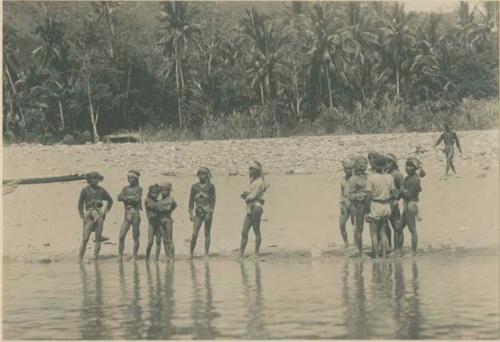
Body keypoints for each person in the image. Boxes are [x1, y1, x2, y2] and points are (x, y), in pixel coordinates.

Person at [77, 171, 113, 262]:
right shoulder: (85, 190)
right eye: (92, 178)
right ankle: (80, 258)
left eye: (96, 178)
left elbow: (110, 200)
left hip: (99, 213)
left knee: (98, 238)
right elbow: (80, 204)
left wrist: (106, 211)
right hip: (89, 214)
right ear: (89, 179)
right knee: (85, 238)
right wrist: (82, 216)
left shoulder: (101, 190)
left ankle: (95, 258)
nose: (94, 180)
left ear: (98, 179)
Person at [365, 154, 396, 259]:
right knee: (383, 233)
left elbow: (368, 196)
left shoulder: (371, 178)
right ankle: (383, 255)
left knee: (373, 233)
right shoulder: (390, 177)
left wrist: (366, 212)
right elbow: (393, 193)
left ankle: (376, 256)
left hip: (376, 205)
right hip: (386, 205)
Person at [395, 157, 425, 256]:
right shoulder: (408, 178)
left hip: (411, 205)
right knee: (399, 228)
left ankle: (413, 251)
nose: (407, 168)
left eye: (410, 166)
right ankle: (398, 250)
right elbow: (404, 193)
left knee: (412, 229)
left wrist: (401, 190)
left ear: (415, 167)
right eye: (406, 165)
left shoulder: (415, 179)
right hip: (407, 204)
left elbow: (409, 194)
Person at [240, 161, 268, 258]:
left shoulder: (259, 182)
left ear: (256, 171)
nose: (249, 171)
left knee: (256, 230)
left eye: (251, 169)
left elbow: (251, 197)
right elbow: (249, 194)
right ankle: (241, 254)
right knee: (244, 231)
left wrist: (246, 196)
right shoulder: (253, 181)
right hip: (250, 208)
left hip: (256, 208)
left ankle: (256, 253)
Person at [188, 167, 216, 259]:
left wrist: (211, 211)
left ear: (207, 175)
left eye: (203, 174)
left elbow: (213, 200)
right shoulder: (194, 186)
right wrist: (190, 213)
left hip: (207, 211)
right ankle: (191, 253)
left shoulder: (211, 186)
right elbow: (191, 201)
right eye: (200, 174)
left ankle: (206, 253)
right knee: (195, 233)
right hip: (198, 211)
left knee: (207, 232)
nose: (202, 176)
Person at [346, 157, 369, 257]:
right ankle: (359, 250)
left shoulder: (369, 176)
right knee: (359, 228)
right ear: (358, 165)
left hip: (370, 203)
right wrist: (361, 196)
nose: (366, 165)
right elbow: (349, 195)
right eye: (363, 163)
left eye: (366, 163)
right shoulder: (353, 179)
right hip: (359, 204)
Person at [117, 170, 143, 261]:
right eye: (128, 178)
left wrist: (126, 198)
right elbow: (119, 197)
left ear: (135, 179)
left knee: (135, 236)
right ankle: (120, 255)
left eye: (131, 178)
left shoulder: (139, 188)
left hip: (135, 213)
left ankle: (135, 255)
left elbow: (137, 199)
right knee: (121, 236)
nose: (129, 180)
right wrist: (129, 198)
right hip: (127, 214)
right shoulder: (125, 188)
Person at [386, 153, 404, 249]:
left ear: (393, 163)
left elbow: (402, 188)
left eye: (388, 162)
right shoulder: (386, 173)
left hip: (393, 202)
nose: (386, 164)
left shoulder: (397, 174)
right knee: (386, 226)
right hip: (386, 203)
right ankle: (390, 245)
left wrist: (396, 198)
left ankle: (399, 248)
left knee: (396, 226)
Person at [156, 182, 177, 261]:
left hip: (168, 220)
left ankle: (172, 257)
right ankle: (167, 256)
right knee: (164, 240)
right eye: (162, 190)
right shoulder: (160, 201)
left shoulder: (170, 199)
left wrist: (160, 208)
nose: (164, 192)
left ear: (169, 191)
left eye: (165, 190)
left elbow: (168, 208)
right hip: (161, 220)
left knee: (169, 239)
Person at [339, 159, 355, 248]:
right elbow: (342, 192)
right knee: (341, 224)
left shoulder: (355, 179)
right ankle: (346, 242)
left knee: (355, 224)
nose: (348, 170)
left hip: (354, 203)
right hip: (345, 203)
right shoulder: (342, 179)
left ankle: (356, 242)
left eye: (350, 168)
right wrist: (341, 204)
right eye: (346, 168)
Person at [145, 184, 162, 261]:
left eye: (156, 193)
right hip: (151, 224)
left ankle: (156, 258)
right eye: (153, 193)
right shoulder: (147, 200)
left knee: (158, 242)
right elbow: (153, 206)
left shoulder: (158, 201)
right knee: (150, 241)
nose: (155, 195)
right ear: (150, 193)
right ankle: (147, 258)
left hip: (158, 224)